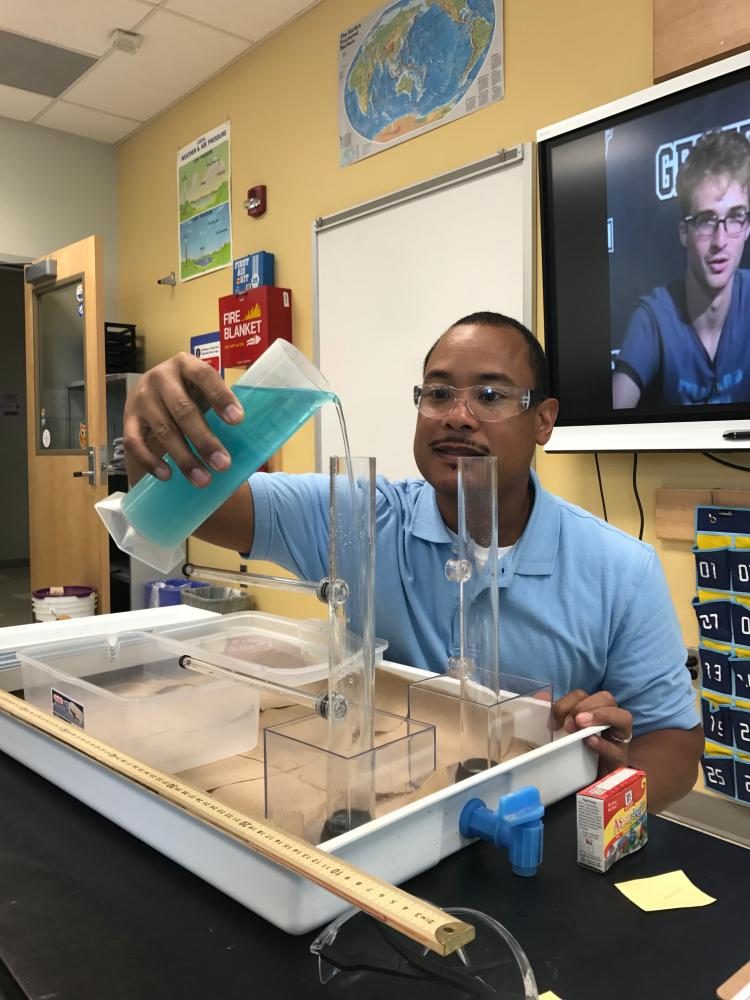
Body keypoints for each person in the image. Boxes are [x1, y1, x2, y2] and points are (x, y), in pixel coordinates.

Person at [124, 311, 702, 812]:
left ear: (543, 420)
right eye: (438, 393)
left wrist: (596, 776)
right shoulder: (360, 518)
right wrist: (156, 433)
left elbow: (673, 743)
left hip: (532, 833)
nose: (458, 415)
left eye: (492, 396)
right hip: (387, 818)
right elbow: (194, 508)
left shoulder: (621, 569)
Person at [613, 129, 750, 408]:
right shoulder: (654, 318)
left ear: (747, 227)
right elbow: (608, 419)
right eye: (706, 220)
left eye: (735, 217)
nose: (720, 242)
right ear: (684, 232)